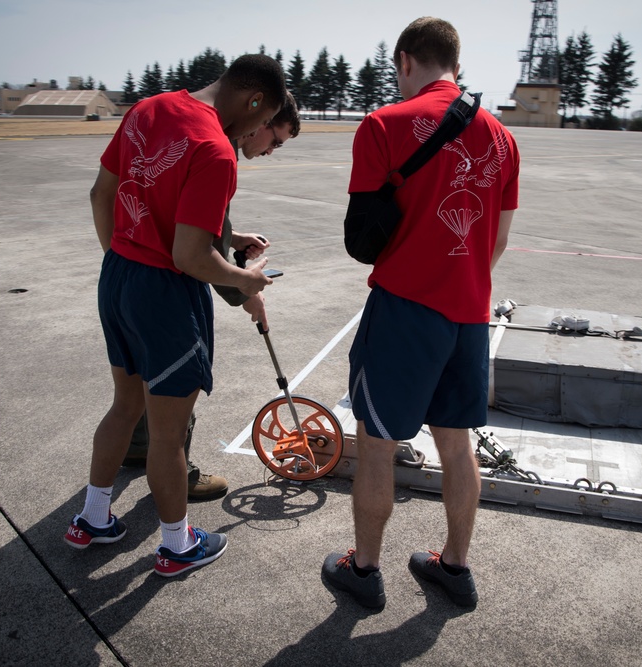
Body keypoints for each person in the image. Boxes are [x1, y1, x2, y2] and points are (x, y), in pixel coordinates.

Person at [322, 17, 520, 609]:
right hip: (469, 315)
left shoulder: (384, 123)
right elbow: (498, 242)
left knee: (378, 443)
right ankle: (454, 567)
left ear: (406, 60)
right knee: (457, 447)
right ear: (455, 64)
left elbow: (361, 235)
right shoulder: (504, 138)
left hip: (405, 312)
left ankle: (364, 570)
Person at [63, 54, 287, 578]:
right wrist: (247, 280)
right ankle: (177, 545)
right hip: (164, 295)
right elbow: (191, 257)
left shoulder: (148, 109)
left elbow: (103, 193)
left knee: (124, 407)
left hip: (117, 275)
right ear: (255, 101)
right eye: (263, 122)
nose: (257, 132)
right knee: (167, 433)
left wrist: (125, 256)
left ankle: (93, 519)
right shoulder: (215, 149)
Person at [120, 93, 302, 501]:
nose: (270, 150)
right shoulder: (218, 150)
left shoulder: (184, 126)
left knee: (139, 374)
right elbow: (197, 249)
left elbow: (189, 215)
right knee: (177, 381)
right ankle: (176, 476)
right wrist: (244, 288)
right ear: (264, 117)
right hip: (167, 282)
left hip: (127, 271)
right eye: (276, 140)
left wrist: (232, 236)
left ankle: (135, 446)